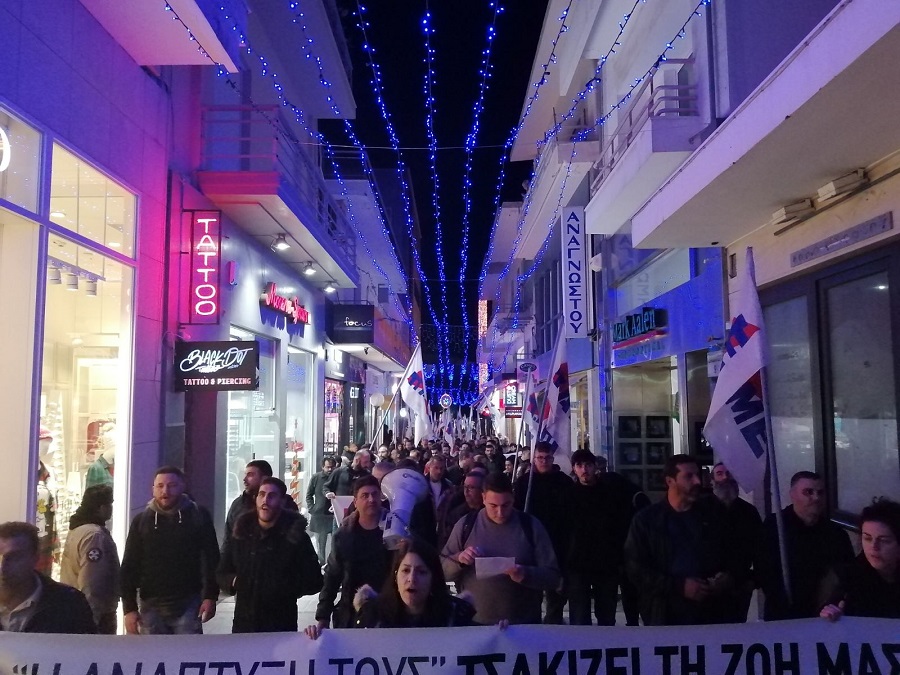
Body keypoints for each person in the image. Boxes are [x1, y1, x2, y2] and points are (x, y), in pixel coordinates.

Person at [624, 454, 740, 625]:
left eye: (697, 475)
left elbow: (732, 552)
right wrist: (678, 586)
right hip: (665, 614)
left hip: (711, 613)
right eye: (688, 476)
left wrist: (727, 576)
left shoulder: (713, 515)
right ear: (670, 481)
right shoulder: (647, 521)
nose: (697, 482)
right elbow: (635, 569)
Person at [441, 473, 560, 625]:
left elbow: (553, 577)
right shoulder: (465, 525)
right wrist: (459, 560)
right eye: (493, 506)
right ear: (483, 498)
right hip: (475, 624)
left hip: (523, 624)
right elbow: (441, 572)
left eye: (505, 505)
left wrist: (525, 574)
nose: (500, 513)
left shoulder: (530, 526)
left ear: (513, 499)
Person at [120, 466, 220, 634]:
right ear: (153, 489)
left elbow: (212, 559)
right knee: (154, 651)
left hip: (189, 603)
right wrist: (129, 608)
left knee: (187, 650)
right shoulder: (142, 521)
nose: (165, 491)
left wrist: (210, 596)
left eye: (172, 485)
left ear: (182, 487)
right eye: (160, 486)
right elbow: (129, 565)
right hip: (151, 605)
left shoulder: (198, 516)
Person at [217, 477, 323, 632]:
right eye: (262, 494)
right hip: (245, 622)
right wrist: (236, 581)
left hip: (281, 622)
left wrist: (284, 586)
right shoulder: (241, 533)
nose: (265, 500)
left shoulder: (296, 537)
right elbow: (222, 572)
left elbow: (315, 581)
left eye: (272, 496)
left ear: (282, 501)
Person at [758, 470, 854, 620]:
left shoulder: (836, 534)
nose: (816, 498)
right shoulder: (774, 527)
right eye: (808, 492)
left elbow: (847, 575)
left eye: (820, 493)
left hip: (824, 617)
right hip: (782, 615)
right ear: (792, 494)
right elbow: (764, 571)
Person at [306, 475, 392, 636]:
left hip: (388, 612)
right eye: (365, 495)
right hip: (350, 615)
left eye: (375, 494)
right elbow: (332, 576)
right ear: (355, 501)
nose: (371, 499)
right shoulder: (344, 535)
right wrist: (323, 616)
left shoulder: (394, 532)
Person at [567, 450, 635, 625]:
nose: (584, 470)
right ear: (574, 468)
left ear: (595, 466)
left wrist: (619, 556)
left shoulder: (610, 493)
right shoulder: (568, 495)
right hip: (577, 562)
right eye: (579, 466)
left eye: (588, 465)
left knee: (606, 615)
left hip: (606, 562)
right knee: (579, 616)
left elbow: (620, 525)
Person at [513, 441, 573, 624]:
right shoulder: (525, 482)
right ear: (534, 459)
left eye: (547, 458)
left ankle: (553, 622)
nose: (543, 461)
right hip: (532, 541)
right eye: (540, 458)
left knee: (556, 591)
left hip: (557, 541)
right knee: (532, 589)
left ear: (552, 459)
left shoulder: (564, 482)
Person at [352, 538, 474, 628]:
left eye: (421, 572)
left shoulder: (455, 617)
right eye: (406, 570)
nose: (412, 578)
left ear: (433, 578)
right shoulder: (373, 617)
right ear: (396, 575)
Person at [0, 521, 96, 633]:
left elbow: (86, 643)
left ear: (35, 558)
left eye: (15, 557)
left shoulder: (69, 604)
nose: (2, 565)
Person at [819, 498, 900, 620]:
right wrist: (831, 614)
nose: (874, 547)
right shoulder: (850, 577)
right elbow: (828, 612)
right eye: (867, 538)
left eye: (884, 540)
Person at [59, 485, 119, 633]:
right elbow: (92, 583)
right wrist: (91, 620)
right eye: (109, 504)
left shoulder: (78, 530)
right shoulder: (94, 536)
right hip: (94, 614)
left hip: (73, 608)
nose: (111, 509)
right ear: (101, 507)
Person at [710, 462, 762, 622]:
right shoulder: (700, 509)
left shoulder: (749, 512)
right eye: (719, 474)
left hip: (739, 586)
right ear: (712, 481)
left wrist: (752, 580)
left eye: (729, 473)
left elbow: (761, 550)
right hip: (708, 587)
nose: (725, 477)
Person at [437, 468, 486, 551]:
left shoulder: (489, 512)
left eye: (471, 487)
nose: (466, 491)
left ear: (482, 490)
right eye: (465, 487)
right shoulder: (455, 514)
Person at [225, 460, 273, 538]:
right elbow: (228, 537)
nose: (244, 479)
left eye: (250, 475)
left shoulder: (281, 503)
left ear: (264, 478)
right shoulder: (238, 504)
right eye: (245, 475)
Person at [306, 456, 336, 564]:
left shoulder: (336, 478)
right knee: (321, 544)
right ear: (323, 467)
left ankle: (332, 565)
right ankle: (322, 564)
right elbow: (309, 495)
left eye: (332, 467)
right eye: (327, 467)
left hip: (333, 515)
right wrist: (312, 508)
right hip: (319, 515)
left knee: (334, 543)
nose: (330, 469)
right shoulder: (316, 477)